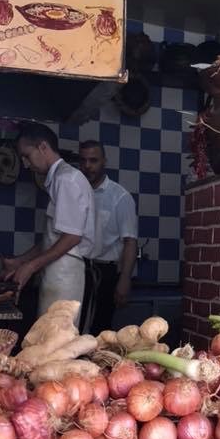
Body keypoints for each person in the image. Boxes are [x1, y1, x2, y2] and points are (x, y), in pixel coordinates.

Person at [2, 123, 97, 315]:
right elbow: (53, 238)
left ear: (43, 147)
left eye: (27, 156)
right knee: (48, 337)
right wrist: (19, 261)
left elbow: (72, 237)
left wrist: (30, 266)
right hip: (57, 272)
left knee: (59, 338)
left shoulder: (67, 179)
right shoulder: (59, 179)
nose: (26, 164)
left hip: (66, 274)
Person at [78, 140, 138, 334]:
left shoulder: (120, 197)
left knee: (98, 330)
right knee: (74, 327)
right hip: (77, 269)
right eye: (83, 160)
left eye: (93, 160)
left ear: (104, 161)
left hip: (104, 274)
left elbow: (130, 241)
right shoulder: (76, 192)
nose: (88, 166)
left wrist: (125, 280)